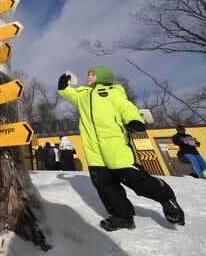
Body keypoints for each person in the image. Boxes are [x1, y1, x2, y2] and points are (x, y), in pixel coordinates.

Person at [58, 66, 185, 231]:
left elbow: (126, 107)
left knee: (134, 178)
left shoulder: (113, 91)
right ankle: (123, 216)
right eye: (88, 74)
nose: (88, 77)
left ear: (103, 76)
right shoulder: (82, 94)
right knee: (104, 184)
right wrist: (63, 82)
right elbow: (67, 92)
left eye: (93, 74)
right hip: (93, 150)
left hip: (115, 145)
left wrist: (134, 120)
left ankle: (167, 199)